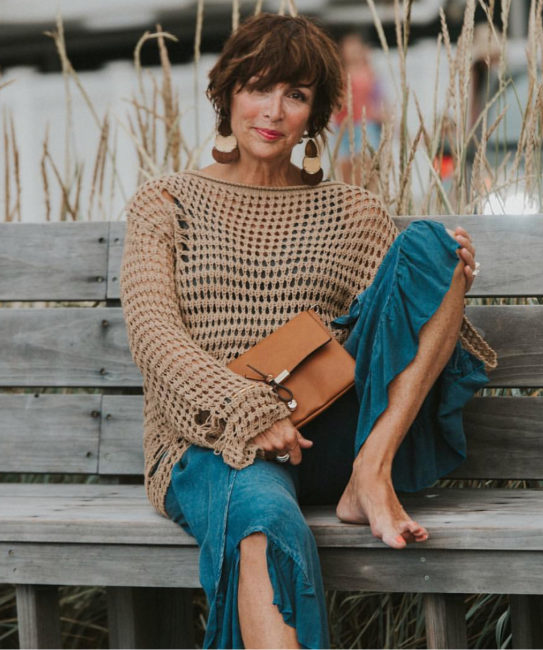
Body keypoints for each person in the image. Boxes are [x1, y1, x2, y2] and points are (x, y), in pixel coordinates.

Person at [120, 13, 496, 649]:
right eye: (257, 88)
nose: (273, 111)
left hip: (332, 437)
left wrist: (450, 274)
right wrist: (245, 408)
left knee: (432, 246)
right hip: (210, 439)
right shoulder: (166, 203)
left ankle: (368, 478)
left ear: (315, 114)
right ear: (226, 95)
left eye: (295, 95)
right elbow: (153, 335)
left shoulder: (351, 211)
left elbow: (419, 334)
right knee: (262, 519)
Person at [333, 32, 384, 184]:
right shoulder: (339, 72)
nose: (352, 51)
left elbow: (379, 97)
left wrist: (383, 115)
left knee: (367, 163)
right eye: (348, 47)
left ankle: (368, 196)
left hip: (364, 123)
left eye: (355, 47)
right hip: (342, 125)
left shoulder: (369, 71)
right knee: (344, 166)